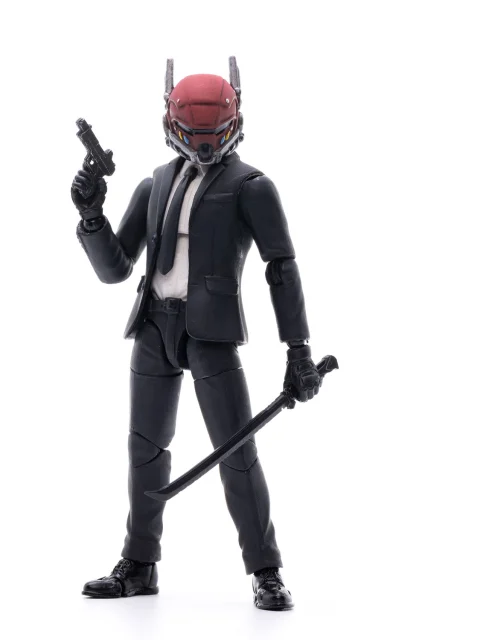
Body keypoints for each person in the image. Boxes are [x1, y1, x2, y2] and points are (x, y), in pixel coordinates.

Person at [72, 58, 323, 611]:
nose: (205, 149)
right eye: (193, 136)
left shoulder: (251, 186)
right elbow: (117, 269)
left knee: (236, 451)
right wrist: (92, 218)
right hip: (153, 326)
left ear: (234, 124)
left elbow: (281, 268)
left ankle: (266, 569)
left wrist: (298, 349)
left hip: (212, 335)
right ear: (171, 125)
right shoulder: (155, 182)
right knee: (144, 450)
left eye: (214, 136)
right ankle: (139, 563)